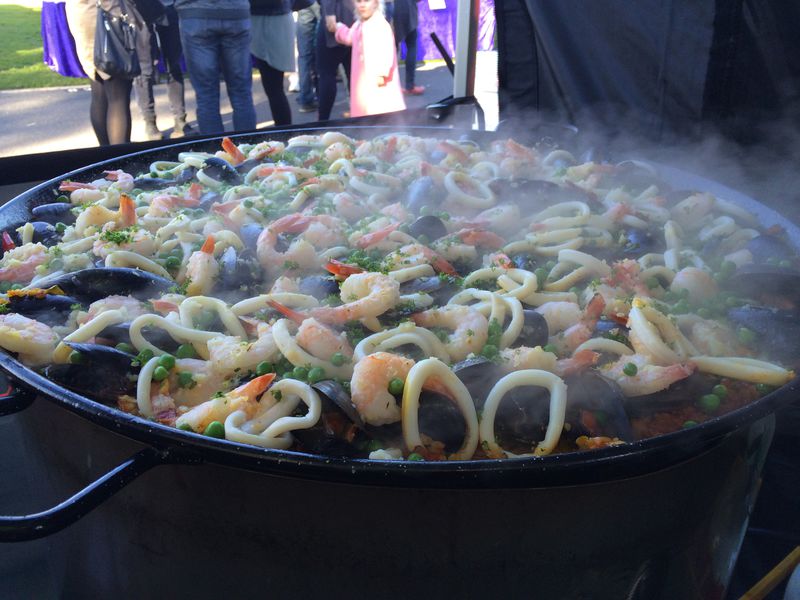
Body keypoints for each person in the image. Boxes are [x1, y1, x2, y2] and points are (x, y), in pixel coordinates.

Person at [65, 0, 143, 146]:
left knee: (99, 90)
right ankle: (117, 158)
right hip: (108, 14)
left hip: (83, 14)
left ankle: (105, 154)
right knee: (118, 97)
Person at [174, 0, 257, 134]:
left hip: (196, 14)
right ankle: (247, 148)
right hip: (236, 12)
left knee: (206, 95)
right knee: (241, 92)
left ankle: (214, 150)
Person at [133, 0, 194, 139]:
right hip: (140, 11)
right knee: (144, 70)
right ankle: (150, 122)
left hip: (168, 8)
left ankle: (180, 119)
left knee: (173, 66)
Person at [334, 0, 405, 117]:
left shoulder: (380, 24)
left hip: (379, 86)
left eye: (366, 1)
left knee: (382, 118)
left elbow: (386, 50)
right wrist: (339, 29)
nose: (362, 5)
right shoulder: (359, 25)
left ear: (376, 3)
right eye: (358, 1)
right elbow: (350, 37)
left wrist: (382, 74)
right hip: (362, 86)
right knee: (365, 116)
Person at [250, 0, 295, 126]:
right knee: (274, 88)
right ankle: (285, 134)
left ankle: (284, 134)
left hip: (263, 20)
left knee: (273, 88)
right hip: (278, 17)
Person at [317, 0, 354, 120]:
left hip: (338, 14)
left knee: (327, 73)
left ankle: (322, 122)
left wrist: (329, 12)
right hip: (354, 14)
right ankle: (360, 116)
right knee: (353, 74)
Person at [393, 0, 423, 95]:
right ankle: (410, 85)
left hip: (391, 7)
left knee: (391, 48)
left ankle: (391, 86)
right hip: (408, 8)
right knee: (411, 45)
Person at [295, 0, 320, 113]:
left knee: (304, 56)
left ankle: (306, 98)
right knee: (332, 47)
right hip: (322, 4)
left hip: (304, 4)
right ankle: (323, 95)